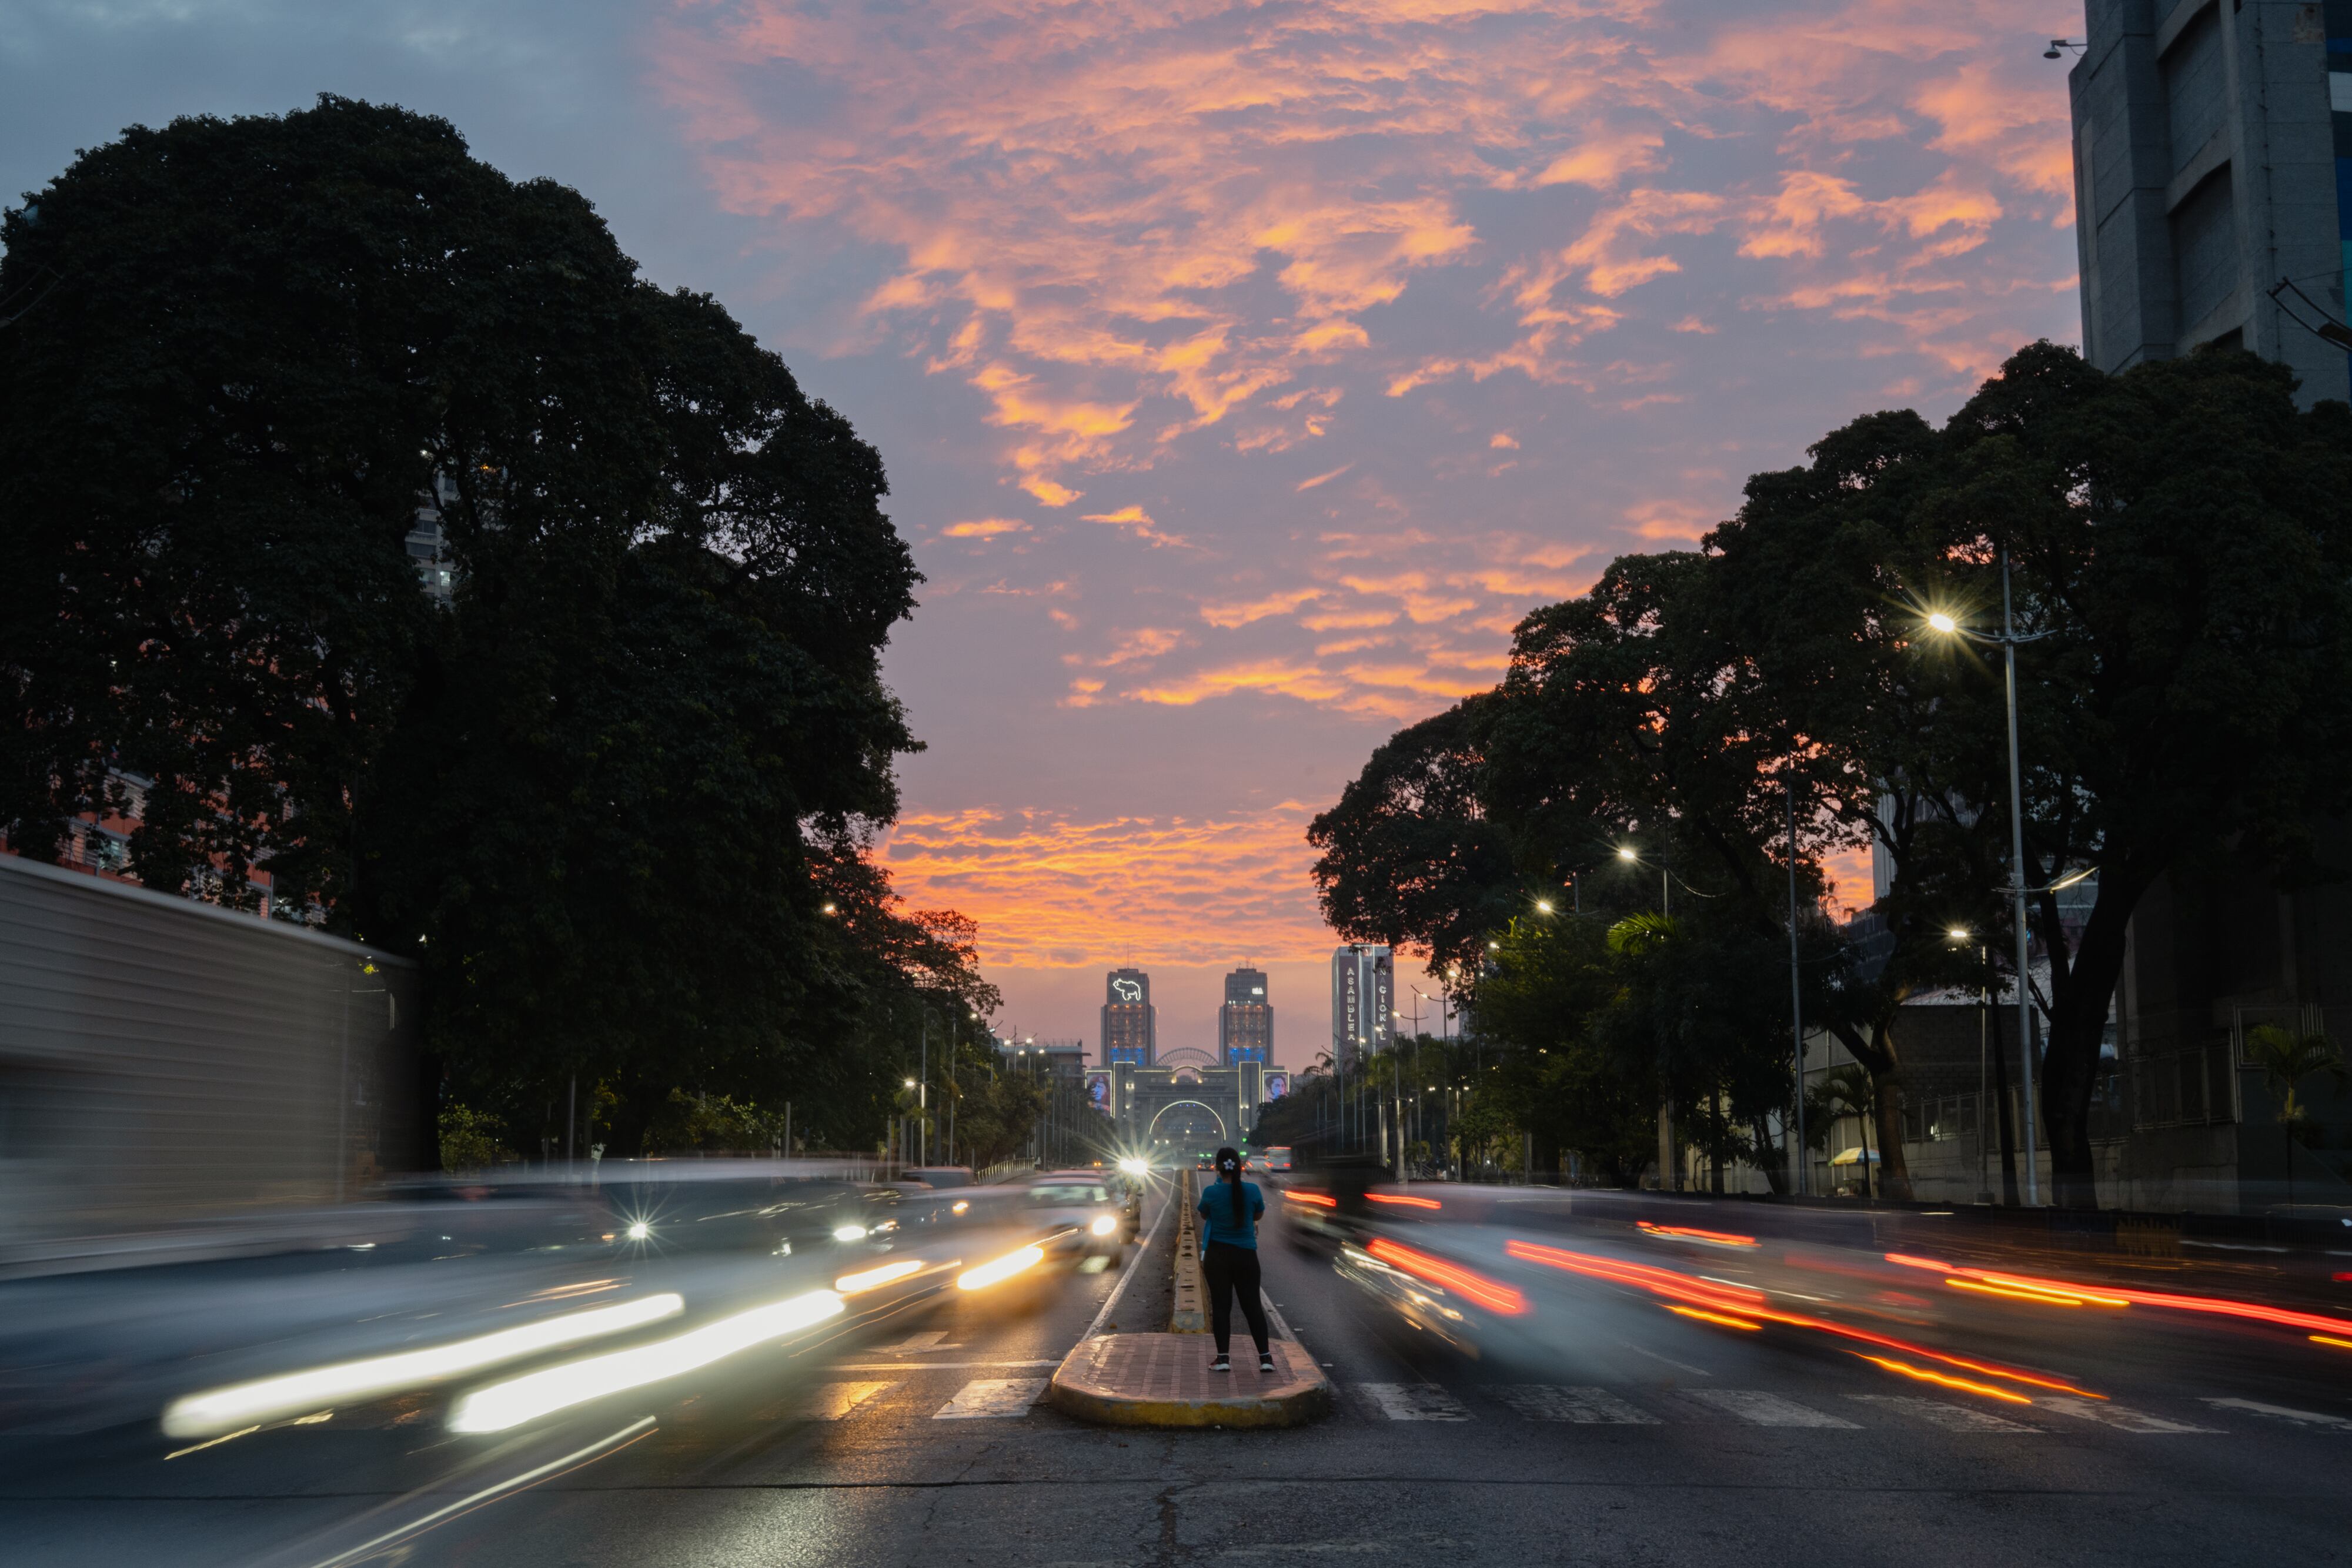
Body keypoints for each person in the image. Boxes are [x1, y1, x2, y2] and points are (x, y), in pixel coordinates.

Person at [1197, 1145, 1273, 1374]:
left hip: (1218, 1256)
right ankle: (1265, 1358)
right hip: (1246, 1256)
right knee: (1253, 1307)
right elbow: (1257, 1214)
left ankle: (1223, 1359)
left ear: (1218, 1168)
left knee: (1221, 1307)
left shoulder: (1211, 1192)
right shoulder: (1252, 1191)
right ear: (1240, 1167)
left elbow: (1204, 1214)